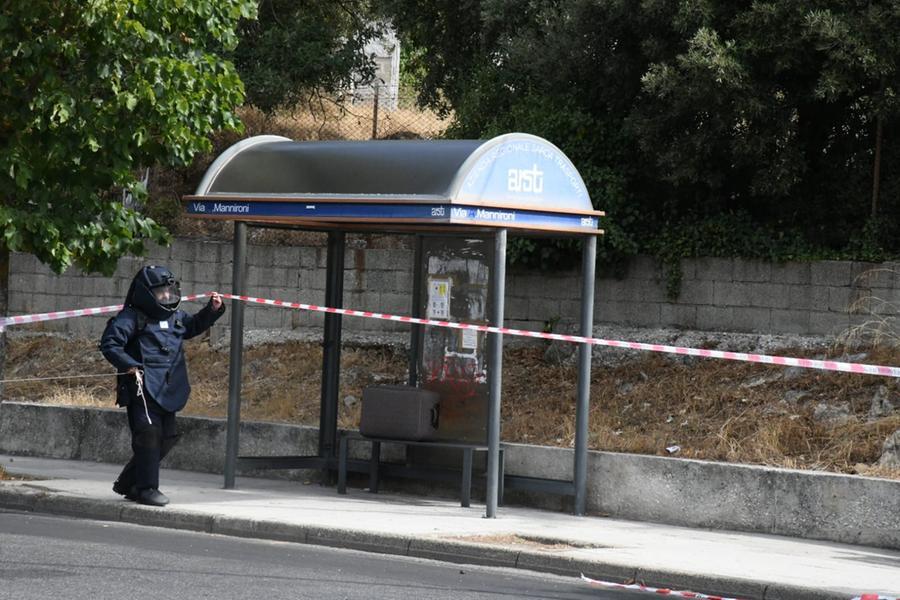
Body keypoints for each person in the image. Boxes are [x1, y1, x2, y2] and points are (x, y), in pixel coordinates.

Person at [100, 265, 225, 507]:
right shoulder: (130, 317)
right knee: (148, 435)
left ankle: (129, 484)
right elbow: (110, 344)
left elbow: (194, 326)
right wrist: (129, 364)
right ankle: (148, 488)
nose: (167, 296)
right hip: (141, 388)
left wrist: (213, 310)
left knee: (167, 436)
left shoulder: (175, 317)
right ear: (147, 294)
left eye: (170, 291)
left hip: (168, 386)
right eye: (161, 293)